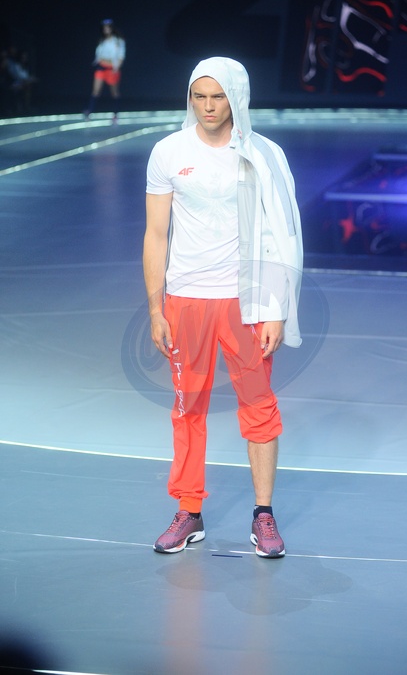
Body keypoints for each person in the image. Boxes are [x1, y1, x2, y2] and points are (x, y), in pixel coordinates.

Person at [144, 56, 303, 558]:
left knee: (259, 406)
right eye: (199, 96)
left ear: (237, 98)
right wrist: (155, 309)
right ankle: (189, 510)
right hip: (185, 300)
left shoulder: (263, 154)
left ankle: (264, 515)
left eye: (218, 97)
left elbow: (281, 232)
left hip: (247, 303)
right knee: (188, 407)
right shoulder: (168, 152)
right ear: (189, 98)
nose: (208, 107)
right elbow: (155, 234)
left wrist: (276, 306)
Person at [84, 19, 125, 122]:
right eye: (104, 28)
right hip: (101, 67)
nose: (106, 29)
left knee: (114, 92)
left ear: (112, 28)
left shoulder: (118, 41)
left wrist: (116, 68)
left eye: (108, 27)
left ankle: (115, 114)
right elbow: (99, 55)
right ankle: (89, 111)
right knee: (96, 90)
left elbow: (121, 56)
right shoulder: (102, 41)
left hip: (112, 69)